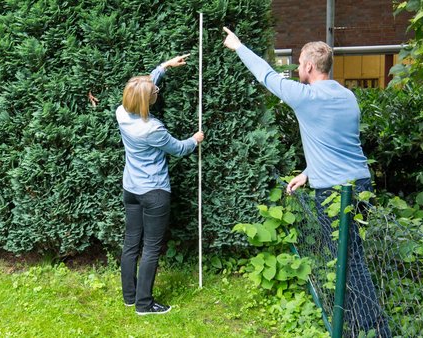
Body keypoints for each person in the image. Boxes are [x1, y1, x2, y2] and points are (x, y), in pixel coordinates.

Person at [222, 27, 391, 337]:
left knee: (349, 260)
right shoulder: (347, 95)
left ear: (310, 67)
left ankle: (375, 329)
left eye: (299, 64)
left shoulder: (307, 97)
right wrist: (307, 172)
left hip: (336, 193)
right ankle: (353, 322)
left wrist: (238, 46)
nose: (297, 69)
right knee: (351, 255)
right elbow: (335, 144)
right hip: (362, 186)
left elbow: (266, 76)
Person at [117, 54, 204, 316]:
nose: (156, 90)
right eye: (154, 91)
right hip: (154, 192)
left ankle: (130, 297)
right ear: (147, 101)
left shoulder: (121, 112)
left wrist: (163, 68)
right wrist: (195, 139)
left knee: (131, 242)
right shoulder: (152, 129)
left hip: (131, 189)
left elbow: (140, 90)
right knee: (151, 248)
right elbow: (178, 148)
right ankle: (144, 305)